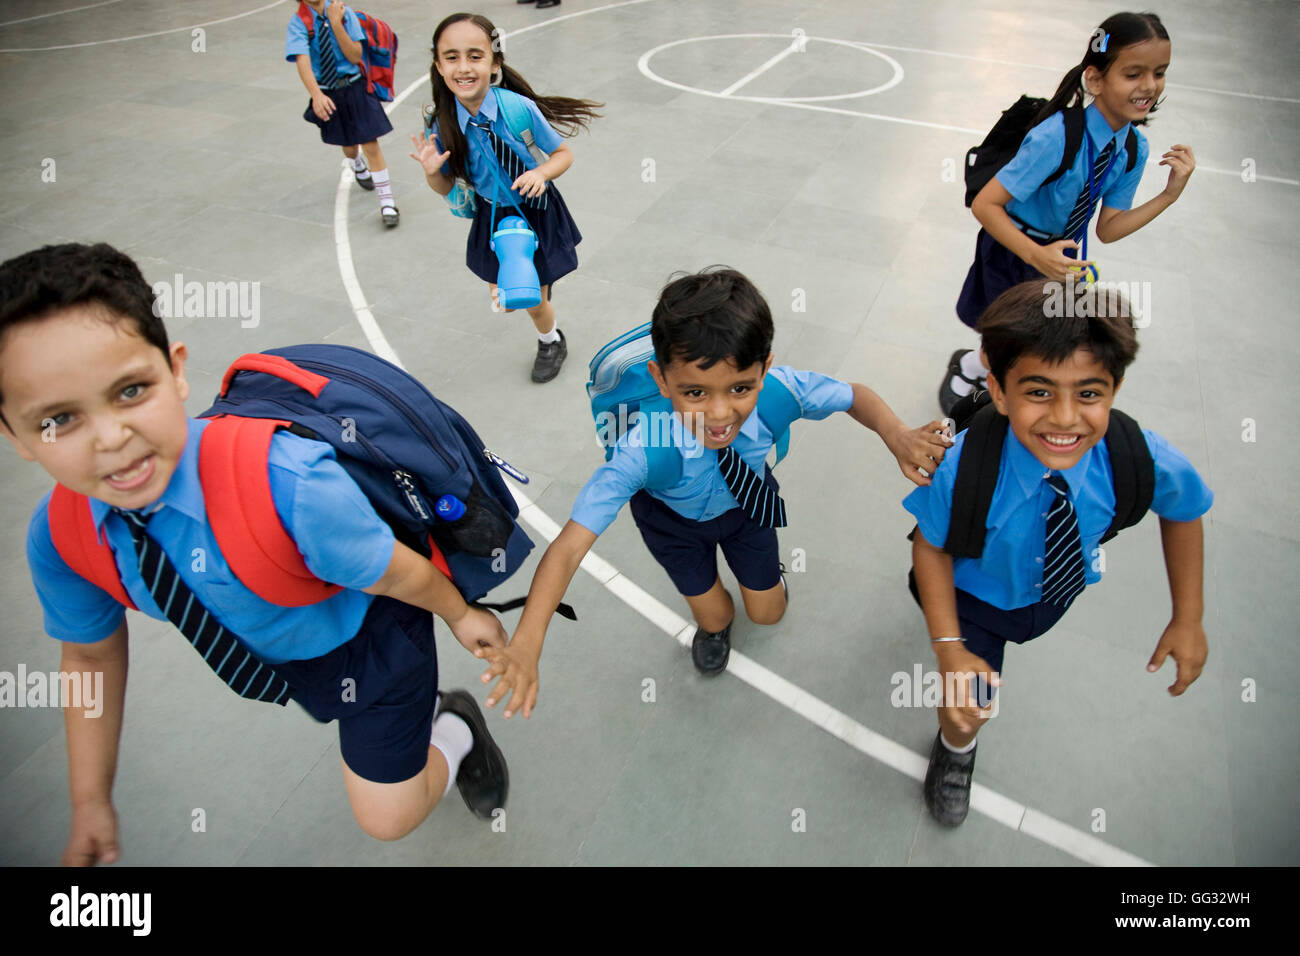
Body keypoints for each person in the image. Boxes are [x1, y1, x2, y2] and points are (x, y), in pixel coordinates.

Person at [0, 243, 509, 863]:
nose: (111, 438)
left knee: (388, 817)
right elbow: (88, 656)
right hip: (285, 651)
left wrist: (459, 615)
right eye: (58, 419)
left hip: (375, 639)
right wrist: (90, 801)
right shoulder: (61, 538)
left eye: (131, 390)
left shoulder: (287, 486)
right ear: (14, 434)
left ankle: (454, 727)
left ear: (176, 369)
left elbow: (394, 571)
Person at [473, 267, 953, 718]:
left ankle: (767, 579)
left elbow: (854, 395)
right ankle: (715, 625)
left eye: (740, 388)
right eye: (696, 393)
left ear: (765, 369)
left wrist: (896, 434)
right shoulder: (644, 448)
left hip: (749, 508)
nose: (720, 414)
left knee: (768, 613)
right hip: (671, 526)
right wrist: (528, 642)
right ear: (661, 380)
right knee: (715, 614)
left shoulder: (781, 392)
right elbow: (569, 546)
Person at [907, 280, 1212, 827]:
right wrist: (948, 645)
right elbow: (929, 549)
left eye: (1089, 393)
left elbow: (1185, 508)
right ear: (998, 391)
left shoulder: (1136, 457)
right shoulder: (964, 466)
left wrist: (1188, 617)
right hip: (973, 599)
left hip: (1051, 594)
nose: (1066, 418)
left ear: (1115, 388)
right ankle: (955, 753)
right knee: (966, 706)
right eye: (1040, 392)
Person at [941, 11, 1194, 414]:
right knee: (1007, 341)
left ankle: (984, 372)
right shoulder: (1054, 137)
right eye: (1133, 74)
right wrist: (1034, 254)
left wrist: (1168, 196)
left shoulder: (1132, 149)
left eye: (1159, 72)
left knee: (1034, 339)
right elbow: (986, 205)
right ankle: (968, 372)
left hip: (1061, 256)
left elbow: (1108, 229)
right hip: (1013, 246)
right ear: (1095, 79)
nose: (1149, 85)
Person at [410, 12, 600, 383]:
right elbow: (447, 189)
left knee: (530, 300)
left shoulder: (517, 110)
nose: (463, 68)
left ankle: (551, 340)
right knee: (512, 298)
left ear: (495, 63)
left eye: (475, 56)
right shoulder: (441, 123)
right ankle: (527, 296)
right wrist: (434, 173)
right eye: (451, 57)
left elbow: (563, 154)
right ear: (438, 64)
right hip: (492, 214)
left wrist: (540, 172)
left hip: (535, 209)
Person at [287, 0, 400, 226]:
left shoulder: (344, 12)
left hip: (355, 86)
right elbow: (303, 61)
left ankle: (387, 202)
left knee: (371, 143)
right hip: (330, 92)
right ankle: (356, 163)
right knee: (349, 147)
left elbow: (356, 56)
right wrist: (316, 94)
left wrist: (336, 24)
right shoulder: (299, 23)